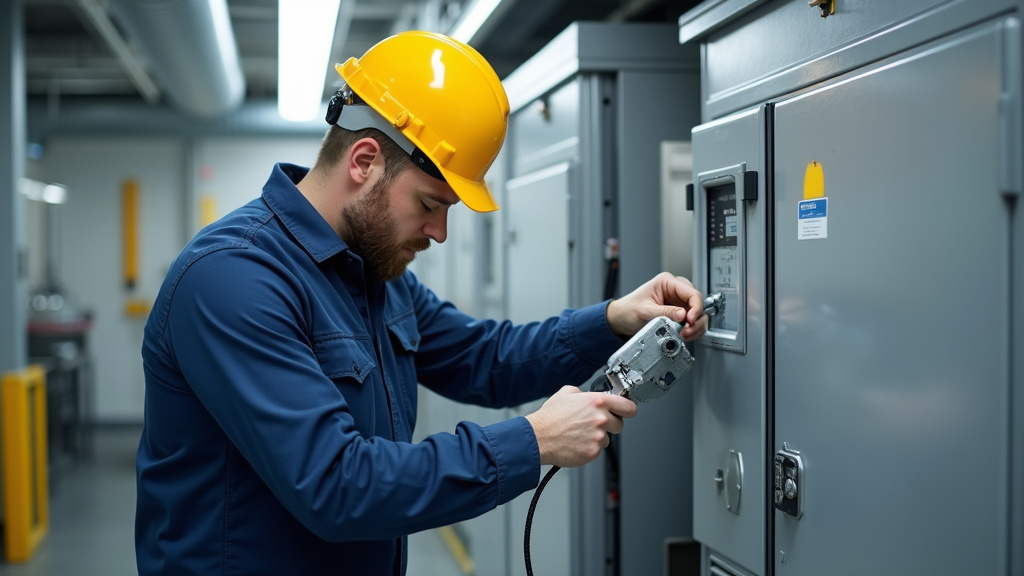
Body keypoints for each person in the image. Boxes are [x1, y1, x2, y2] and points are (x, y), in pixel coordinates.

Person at [135, 30, 707, 576]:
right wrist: (532, 441)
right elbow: (336, 484)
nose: (440, 233)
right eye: (432, 204)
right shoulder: (234, 278)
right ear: (363, 161)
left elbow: (486, 357)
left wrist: (613, 320)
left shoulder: (372, 274)